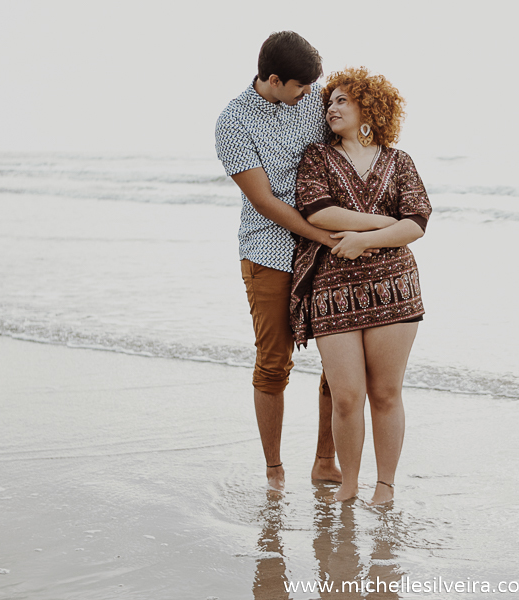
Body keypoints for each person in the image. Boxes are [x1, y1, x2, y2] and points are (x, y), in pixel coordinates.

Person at [214, 31, 363, 490]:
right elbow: (264, 201)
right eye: (300, 86)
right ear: (274, 80)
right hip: (269, 250)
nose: (310, 95)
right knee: (274, 362)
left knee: (338, 363)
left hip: (327, 250)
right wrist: (322, 235)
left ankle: (325, 461)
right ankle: (274, 470)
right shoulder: (233, 122)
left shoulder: (313, 99)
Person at [290, 67, 431, 505]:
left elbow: (417, 222)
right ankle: (349, 486)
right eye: (329, 102)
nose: (331, 108)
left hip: (394, 290)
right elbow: (317, 211)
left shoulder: (399, 161)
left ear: (369, 108)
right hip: (334, 291)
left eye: (342, 101)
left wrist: (364, 241)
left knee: (385, 394)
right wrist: (383, 224)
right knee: (347, 397)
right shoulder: (317, 157)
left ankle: (384, 487)